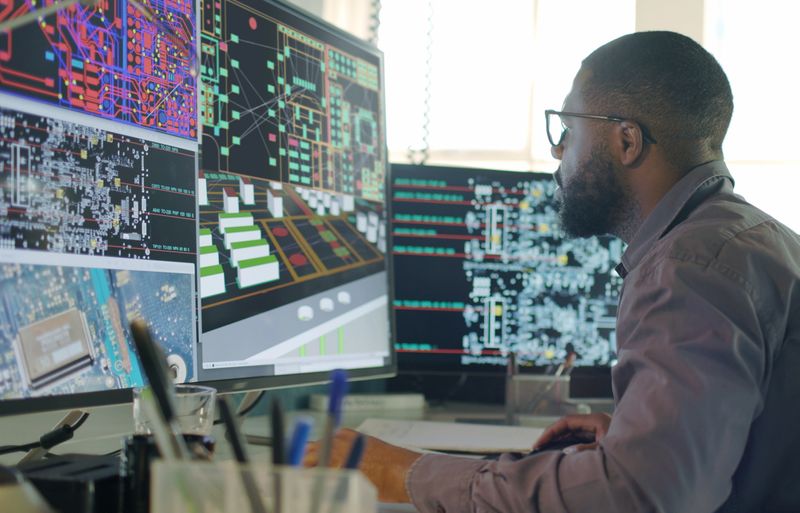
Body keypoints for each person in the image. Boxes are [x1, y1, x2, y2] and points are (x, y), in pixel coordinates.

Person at [305, 31, 800, 512]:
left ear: (626, 141)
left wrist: (403, 473)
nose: (558, 151)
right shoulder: (746, 238)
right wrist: (642, 434)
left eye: (568, 130)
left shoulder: (690, 268)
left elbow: (639, 498)